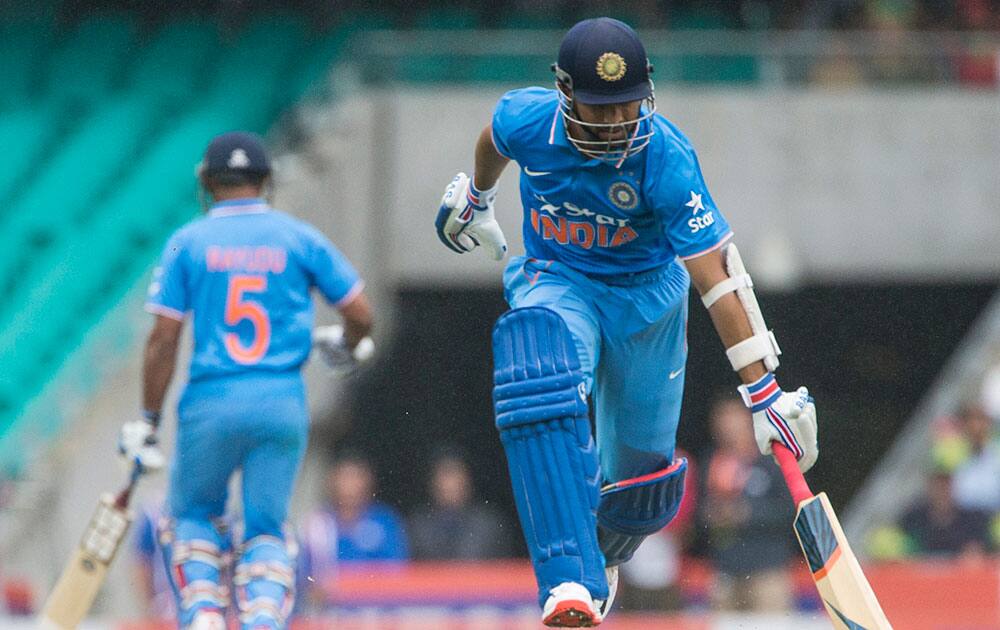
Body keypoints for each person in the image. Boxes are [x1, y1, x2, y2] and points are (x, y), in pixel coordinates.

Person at [433, 17, 818, 627]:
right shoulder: (529, 120)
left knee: (644, 493)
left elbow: (717, 277)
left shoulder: (665, 156)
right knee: (541, 371)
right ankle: (568, 582)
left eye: (627, 106)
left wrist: (763, 392)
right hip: (559, 279)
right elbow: (493, 141)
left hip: (648, 300)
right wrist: (477, 198)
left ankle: (601, 557)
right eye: (599, 108)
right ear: (565, 94)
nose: (615, 123)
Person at [118, 131, 374, 630]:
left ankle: (204, 615)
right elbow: (361, 313)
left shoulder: (188, 242)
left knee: (192, 517)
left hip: (210, 401)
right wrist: (343, 343)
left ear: (206, 182)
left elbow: (163, 339)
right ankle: (261, 618)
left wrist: (148, 419)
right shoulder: (299, 238)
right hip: (281, 400)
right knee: (265, 529)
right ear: (267, 181)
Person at [700, 397, 794, 612]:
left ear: (748, 422)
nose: (728, 427)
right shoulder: (712, 461)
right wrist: (710, 515)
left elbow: (791, 509)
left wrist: (748, 513)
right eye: (722, 420)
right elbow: (697, 514)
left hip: (767, 570)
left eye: (733, 420)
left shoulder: (771, 459)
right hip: (725, 569)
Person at [409, 449, 507, 560]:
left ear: (467, 480)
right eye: (445, 475)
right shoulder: (418, 526)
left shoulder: (489, 524)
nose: (450, 484)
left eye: (455, 474)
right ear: (432, 482)